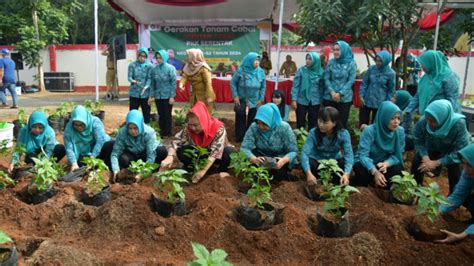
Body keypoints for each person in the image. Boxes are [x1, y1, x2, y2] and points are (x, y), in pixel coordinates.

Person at [160, 101, 236, 183]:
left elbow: (216, 152)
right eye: (190, 125)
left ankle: (219, 173)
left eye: (196, 125)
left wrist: (202, 171)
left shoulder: (218, 129)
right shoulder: (188, 129)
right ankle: (191, 168)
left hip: (218, 156)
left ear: (203, 121)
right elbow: (176, 142)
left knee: (229, 152)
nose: (192, 128)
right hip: (201, 155)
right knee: (182, 150)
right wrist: (170, 156)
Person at [411, 100, 470, 193]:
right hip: (432, 148)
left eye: (433, 121)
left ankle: (453, 196)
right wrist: (425, 158)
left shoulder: (458, 125)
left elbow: (461, 151)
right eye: (428, 119)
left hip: (450, 152)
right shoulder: (423, 121)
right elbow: (418, 141)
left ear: (443, 119)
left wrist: (437, 163)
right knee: (417, 161)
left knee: (456, 168)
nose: (429, 122)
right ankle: (415, 189)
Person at [240, 103, 298, 182]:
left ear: (272, 120)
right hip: (261, 157)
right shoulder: (254, 127)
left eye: (264, 124)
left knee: (279, 175)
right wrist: (253, 159)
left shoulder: (284, 127)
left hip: (279, 158)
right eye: (258, 122)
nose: (260, 126)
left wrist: (283, 160)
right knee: (251, 170)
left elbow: (293, 151)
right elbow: (244, 148)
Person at [352, 101, 405, 188]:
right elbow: (363, 155)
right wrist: (375, 172)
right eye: (392, 118)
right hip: (367, 162)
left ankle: (382, 189)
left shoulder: (399, 131)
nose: (396, 122)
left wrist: (387, 163)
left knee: (397, 170)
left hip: (383, 163)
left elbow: (398, 154)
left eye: (398, 118)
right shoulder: (370, 131)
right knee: (362, 174)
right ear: (384, 117)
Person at [301, 107, 353, 186]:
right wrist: (308, 174)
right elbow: (305, 153)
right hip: (317, 162)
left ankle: (336, 183)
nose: (321, 125)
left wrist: (346, 174)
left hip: (334, 162)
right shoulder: (313, 132)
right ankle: (315, 182)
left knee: (343, 164)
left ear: (334, 123)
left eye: (325, 122)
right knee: (308, 163)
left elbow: (349, 155)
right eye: (319, 121)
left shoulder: (343, 134)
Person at [110, 110, 167, 181]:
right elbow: (115, 154)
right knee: (123, 160)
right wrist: (115, 170)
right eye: (130, 128)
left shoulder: (149, 133)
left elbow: (150, 156)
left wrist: (143, 174)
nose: (133, 131)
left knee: (161, 151)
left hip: (145, 154)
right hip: (133, 155)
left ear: (140, 125)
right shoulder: (122, 132)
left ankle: (153, 170)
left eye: (135, 128)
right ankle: (128, 172)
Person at [404, 50, 461, 115]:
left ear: (431, 62)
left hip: (441, 118)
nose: (421, 67)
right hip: (427, 117)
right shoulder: (426, 77)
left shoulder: (449, 77)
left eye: (423, 64)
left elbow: (452, 101)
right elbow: (418, 96)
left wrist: (444, 118)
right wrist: (407, 110)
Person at [437, 144, 474, 243]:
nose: (465, 168)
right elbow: (457, 196)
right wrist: (438, 211)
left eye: (469, 164)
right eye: (463, 163)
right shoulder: (467, 172)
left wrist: (462, 235)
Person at [64, 105, 114, 172]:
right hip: (86, 153)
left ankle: (106, 166)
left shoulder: (95, 122)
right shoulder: (69, 128)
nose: (79, 127)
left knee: (110, 145)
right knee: (82, 164)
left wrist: (92, 158)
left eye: (82, 124)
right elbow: (69, 147)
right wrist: (74, 163)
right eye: (76, 124)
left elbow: (100, 141)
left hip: (100, 148)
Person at [231, 52, 266, 142]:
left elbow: (263, 86)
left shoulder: (261, 72)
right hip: (242, 100)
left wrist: (261, 99)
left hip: (255, 101)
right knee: (240, 119)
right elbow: (233, 82)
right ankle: (239, 138)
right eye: (255, 60)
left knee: (253, 120)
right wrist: (235, 95)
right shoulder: (241, 70)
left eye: (258, 60)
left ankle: (250, 139)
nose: (257, 62)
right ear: (249, 60)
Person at [323, 40, 357, 128]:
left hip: (344, 99)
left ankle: (341, 141)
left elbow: (351, 81)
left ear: (344, 50)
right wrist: (332, 93)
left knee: (341, 123)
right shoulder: (331, 62)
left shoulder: (352, 64)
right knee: (327, 121)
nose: (335, 52)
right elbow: (326, 78)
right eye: (334, 50)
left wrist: (340, 94)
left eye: (338, 50)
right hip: (329, 97)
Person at [359, 50, 396, 127]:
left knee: (375, 125)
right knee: (363, 123)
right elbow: (364, 83)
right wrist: (361, 95)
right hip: (367, 100)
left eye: (380, 61)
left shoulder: (391, 73)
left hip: (380, 103)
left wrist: (386, 103)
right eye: (376, 60)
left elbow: (391, 90)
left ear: (386, 61)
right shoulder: (371, 69)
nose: (377, 63)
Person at [147, 49, 177, 137]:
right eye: (157, 58)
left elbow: (173, 83)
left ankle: (168, 133)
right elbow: (152, 84)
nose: (158, 60)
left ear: (164, 57)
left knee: (167, 114)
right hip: (158, 96)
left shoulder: (171, 68)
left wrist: (172, 96)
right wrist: (151, 96)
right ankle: (162, 132)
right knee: (161, 115)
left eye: (160, 58)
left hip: (167, 96)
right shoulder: (154, 69)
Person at [291, 52, 324, 129]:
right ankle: (300, 140)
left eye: (310, 59)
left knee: (313, 123)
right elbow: (295, 86)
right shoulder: (301, 70)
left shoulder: (321, 72)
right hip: (301, 100)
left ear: (316, 61)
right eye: (307, 58)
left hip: (315, 101)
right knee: (300, 123)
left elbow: (322, 88)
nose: (307, 61)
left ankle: (312, 139)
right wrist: (294, 100)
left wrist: (322, 101)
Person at [128, 47, 153, 123]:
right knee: (133, 113)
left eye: (144, 56)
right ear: (138, 55)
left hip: (145, 94)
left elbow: (150, 78)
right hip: (134, 93)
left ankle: (146, 129)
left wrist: (145, 87)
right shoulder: (132, 65)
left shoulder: (150, 66)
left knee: (146, 113)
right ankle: (132, 127)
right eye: (140, 56)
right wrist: (134, 81)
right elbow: (129, 77)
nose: (142, 58)